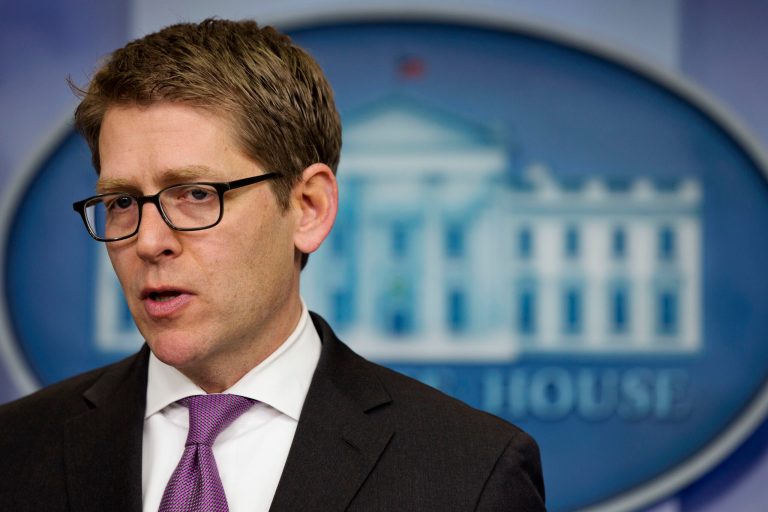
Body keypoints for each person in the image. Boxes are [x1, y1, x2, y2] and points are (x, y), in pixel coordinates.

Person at [0, 19, 545, 511]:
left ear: (308, 208)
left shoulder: (470, 474)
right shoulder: (14, 451)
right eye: (121, 202)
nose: (148, 241)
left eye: (195, 194)